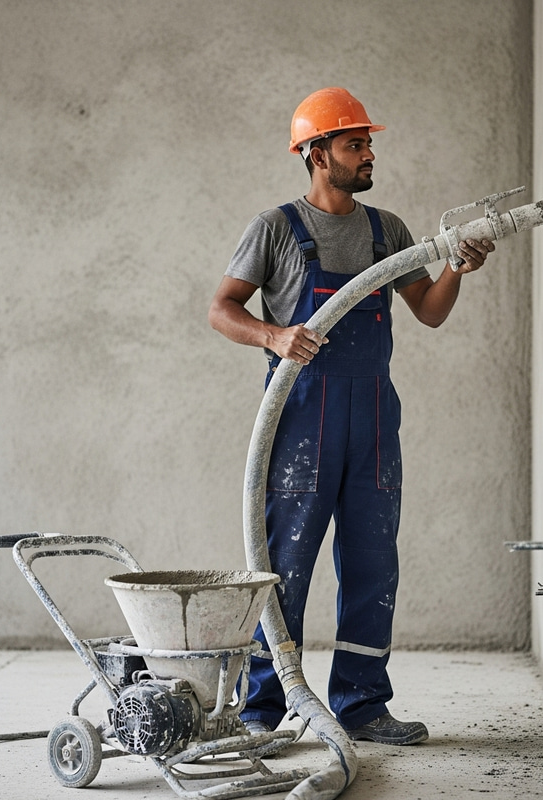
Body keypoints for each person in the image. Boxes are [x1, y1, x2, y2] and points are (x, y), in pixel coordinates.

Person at [208, 87, 493, 745]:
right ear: (316, 154)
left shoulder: (385, 230)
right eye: (354, 144)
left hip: (371, 425)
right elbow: (221, 308)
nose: (369, 155)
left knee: (372, 563)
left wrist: (457, 267)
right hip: (299, 425)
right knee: (284, 564)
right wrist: (275, 338)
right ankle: (263, 709)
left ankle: (363, 706)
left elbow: (429, 309)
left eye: (368, 144)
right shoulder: (275, 228)